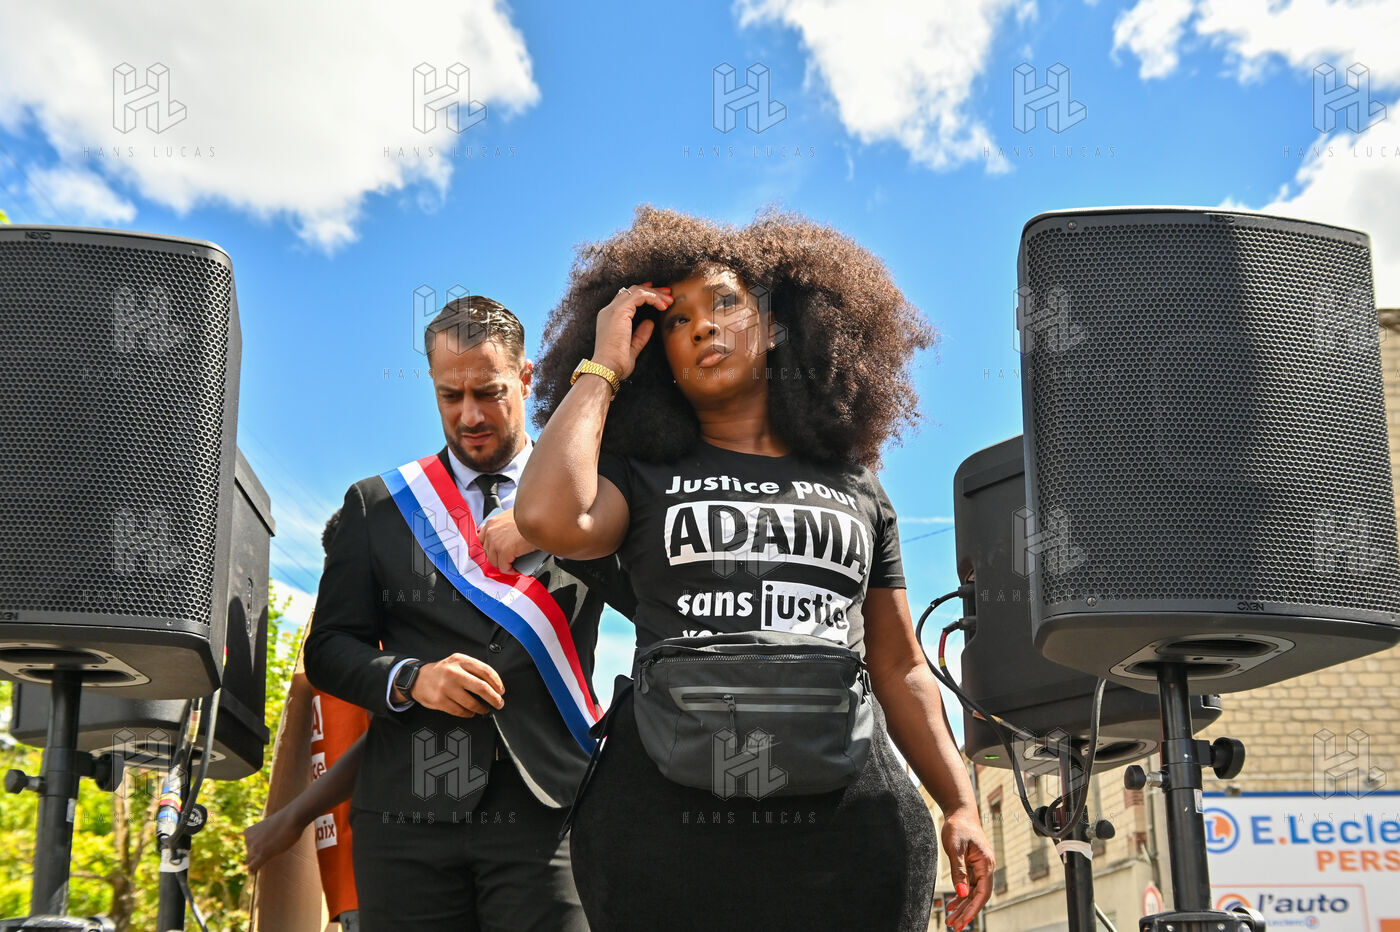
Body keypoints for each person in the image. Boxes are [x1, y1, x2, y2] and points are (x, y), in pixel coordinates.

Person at [515, 205, 996, 932]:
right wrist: (604, 365)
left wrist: (959, 802)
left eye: (725, 304)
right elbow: (547, 517)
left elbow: (899, 667)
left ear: (773, 326)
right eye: (676, 321)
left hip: (850, 827)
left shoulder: (858, 487)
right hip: (661, 830)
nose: (701, 327)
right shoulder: (640, 475)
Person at [303, 295, 634, 931]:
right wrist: (410, 678)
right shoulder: (378, 505)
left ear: (527, 377)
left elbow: (653, 603)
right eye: (450, 396)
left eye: (488, 392)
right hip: (407, 815)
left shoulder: (591, 495)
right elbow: (329, 649)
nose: (470, 415)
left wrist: (551, 525)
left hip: (553, 807)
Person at [245, 510, 368, 932]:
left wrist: (291, 817)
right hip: (352, 885)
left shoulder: (390, 639)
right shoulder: (332, 645)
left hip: (390, 876)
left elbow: (393, 737)